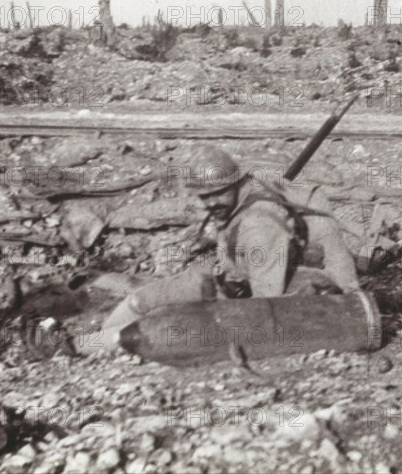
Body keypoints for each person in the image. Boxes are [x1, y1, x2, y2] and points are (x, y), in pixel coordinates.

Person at [98, 145, 361, 349]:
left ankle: (89, 348)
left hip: (282, 281)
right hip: (235, 271)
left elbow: (265, 306)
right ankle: (87, 345)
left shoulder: (259, 225)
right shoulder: (245, 191)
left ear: (235, 183)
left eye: (218, 193)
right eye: (204, 197)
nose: (210, 203)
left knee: (183, 326)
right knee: (146, 299)